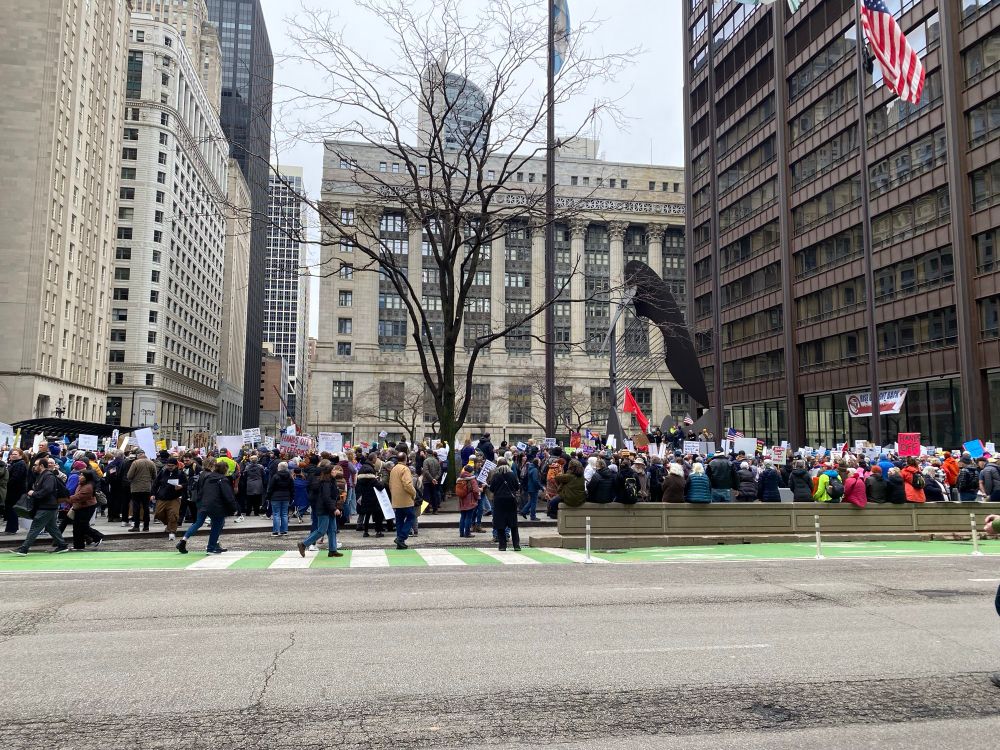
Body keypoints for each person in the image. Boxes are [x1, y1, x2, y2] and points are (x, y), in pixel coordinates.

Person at [176, 460, 237, 554]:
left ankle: (183, 540)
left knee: (198, 523)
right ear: (225, 469)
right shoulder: (222, 479)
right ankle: (211, 547)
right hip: (216, 506)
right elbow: (228, 495)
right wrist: (234, 508)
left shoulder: (207, 477)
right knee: (217, 526)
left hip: (203, 503)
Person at [12, 457, 69, 555]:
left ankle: (24, 548)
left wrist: (34, 494)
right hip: (48, 506)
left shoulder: (48, 476)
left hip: (47, 506)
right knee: (52, 527)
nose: (33, 467)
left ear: (41, 466)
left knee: (35, 527)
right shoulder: (42, 475)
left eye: (35, 465)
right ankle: (62, 545)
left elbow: (47, 490)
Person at [298, 465, 343, 557]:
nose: (336, 471)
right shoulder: (326, 483)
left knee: (332, 530)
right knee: (321, 530)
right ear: (329, 472)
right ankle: (303, 544)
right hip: (324, 509)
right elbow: (326, 498)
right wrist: (334, 508)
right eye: (334, 470)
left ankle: (333, 550)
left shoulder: (331, 481)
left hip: (328, 508)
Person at [487, 459, 521, 552]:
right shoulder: (512, 474)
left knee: (500, 523)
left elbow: (492, 489)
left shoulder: (496, 476)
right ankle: (516, 545)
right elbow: (517, 487)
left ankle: (502, 545)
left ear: (498, 466)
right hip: (511, 501)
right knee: (513, 524)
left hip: (499, 501)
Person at [68, 470, 105, 549]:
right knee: (77, 527)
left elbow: (79, 497)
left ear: (87, 478)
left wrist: (66, 499)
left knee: (82, 526)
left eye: (82, 475)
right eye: (80, 475)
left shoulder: (88, 487)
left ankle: (98, 536)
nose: (79, 477)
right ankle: (78, 545)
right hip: (80, 507)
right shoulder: (81, 484)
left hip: (86, 508)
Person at [151, 457, 187, 541]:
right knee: (158, 514)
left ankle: (172, 532)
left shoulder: (180, 473)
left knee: (173, 515)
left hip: (175, 498)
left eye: (172, 465)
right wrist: (153, 494)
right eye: (168, 465)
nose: (170, 467)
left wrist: (181, 486)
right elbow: (156, 483)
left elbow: (186, 483)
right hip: (162, 497)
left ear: (176, 465)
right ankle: (169, 524)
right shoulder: (163, 472)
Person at [388, 452, 417, 550]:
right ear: (406, 459)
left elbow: (390, 484)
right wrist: (414, 493)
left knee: (399, 520)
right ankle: (401, 538)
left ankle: (400, 542)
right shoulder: (405, 469)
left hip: (396, 499)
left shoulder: (393, 469)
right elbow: (407, 484)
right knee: (411, 517)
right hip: (406, 498)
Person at [126, 450, 157, 532]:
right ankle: (146, 526)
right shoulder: (151, 463)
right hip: (147, 488)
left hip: (136, 488)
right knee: (146, 507)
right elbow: (155, 476)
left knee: (136, 507)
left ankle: (136, 526)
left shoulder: (135, 463)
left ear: (138, 455)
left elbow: (129, 475)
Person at [355, 460, 386, 537]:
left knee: (367, 516)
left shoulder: (360, 480)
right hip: (374, 500)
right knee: (378, 515)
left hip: (365, 500)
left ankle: (365, 531)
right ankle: (378, 531)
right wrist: (381, 481)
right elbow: (380, 487)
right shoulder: (372, 480)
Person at [265, 461, 294, 536]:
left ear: (279, 468)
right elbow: (292, 488)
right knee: (284, 514)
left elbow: (270, 488)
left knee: (276, 514)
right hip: (286, 497)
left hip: (275, 497)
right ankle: (284, 531)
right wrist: (291, 497)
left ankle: (276, 531)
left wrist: (268, 497)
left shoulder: (275, 476)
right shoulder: (290, 477)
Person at [4, 449, 28, 534]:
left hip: (15, 490)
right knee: (9, 508)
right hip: (13, 490)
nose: (13, 455)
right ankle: (10, 528)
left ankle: (12, 528)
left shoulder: (20, 464)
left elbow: (15, 478)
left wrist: (6, 484)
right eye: (11, 454)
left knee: (10, 508)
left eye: (15, 454)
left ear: (21, 455)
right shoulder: (14, 464)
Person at [455, 462, 480, 538]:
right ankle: (467, 533)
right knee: (469, 517)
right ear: (471, 471)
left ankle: (461, 533)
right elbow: (476, 490)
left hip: (461, 500)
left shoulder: (459, 479)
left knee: (462, 516)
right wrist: (477, 498)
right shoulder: (472, 479)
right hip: (470, 500)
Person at [420, 450, 442, 514]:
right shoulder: (436, 461)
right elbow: (439, 471)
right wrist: (435, 479)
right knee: (434, 495)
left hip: (427, 481)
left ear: (427, 453)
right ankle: (435, 510)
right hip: (434, 481)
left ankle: (426, 509)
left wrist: (432, 479)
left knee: (426, 496)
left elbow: (426, 471)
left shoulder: (426, 461)